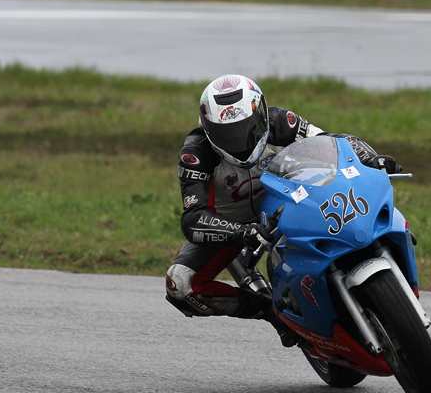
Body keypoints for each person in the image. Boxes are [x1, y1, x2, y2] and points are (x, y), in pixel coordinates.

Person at [164, 74, 402, 345]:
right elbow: (192, 220)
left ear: (261, 115)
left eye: (246, 127)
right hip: (234, 225)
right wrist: (240, 233)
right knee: (179, 285)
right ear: (207, 128)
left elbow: (334, 142)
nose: (239, 139)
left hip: (292, 202)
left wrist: (371, 157)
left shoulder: (281, 122)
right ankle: (267, 308)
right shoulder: (195, 154)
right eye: (226, 133)